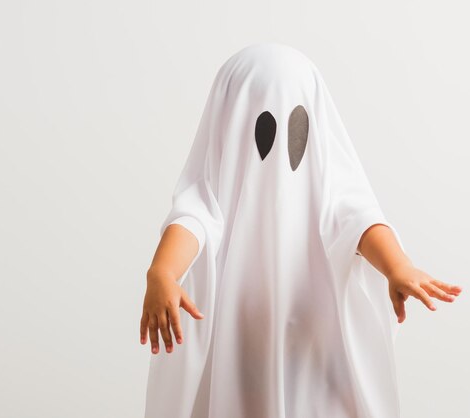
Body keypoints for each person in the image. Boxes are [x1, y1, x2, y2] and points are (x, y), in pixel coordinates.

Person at [140, 42, 463, 418]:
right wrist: (162, 272)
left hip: (313, 347)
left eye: (297, 126)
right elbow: (190, 222)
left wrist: (397, 267)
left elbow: (358, 218)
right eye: (263, 126)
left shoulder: (328, 189)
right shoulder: (213, 195)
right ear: (232, 124)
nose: (281, 149)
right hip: (238, 349)